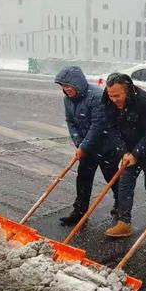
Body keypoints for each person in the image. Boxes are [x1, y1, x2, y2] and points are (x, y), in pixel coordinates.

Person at [102, 73, 146, 237]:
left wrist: (136, 153)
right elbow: (112, 129)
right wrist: (124, 152)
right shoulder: (108, 100)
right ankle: (124, 223)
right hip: (129, 149)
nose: (114, 99)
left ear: (128, 90)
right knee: (125, 183)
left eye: (117, 96)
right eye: (111, 95)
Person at [54, 66, 120, 226]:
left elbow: (98, 125)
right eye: (63, 86)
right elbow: (70, 121)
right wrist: (79, 143)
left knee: (112, 178)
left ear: (77, 83)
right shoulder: (67, 99)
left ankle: (121, 207)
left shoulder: (96, 96)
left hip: (107, 145)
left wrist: (84, 146)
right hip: (88, 147)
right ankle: (79, 212)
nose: (66, 89)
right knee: (83, 178)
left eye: (68, 86)